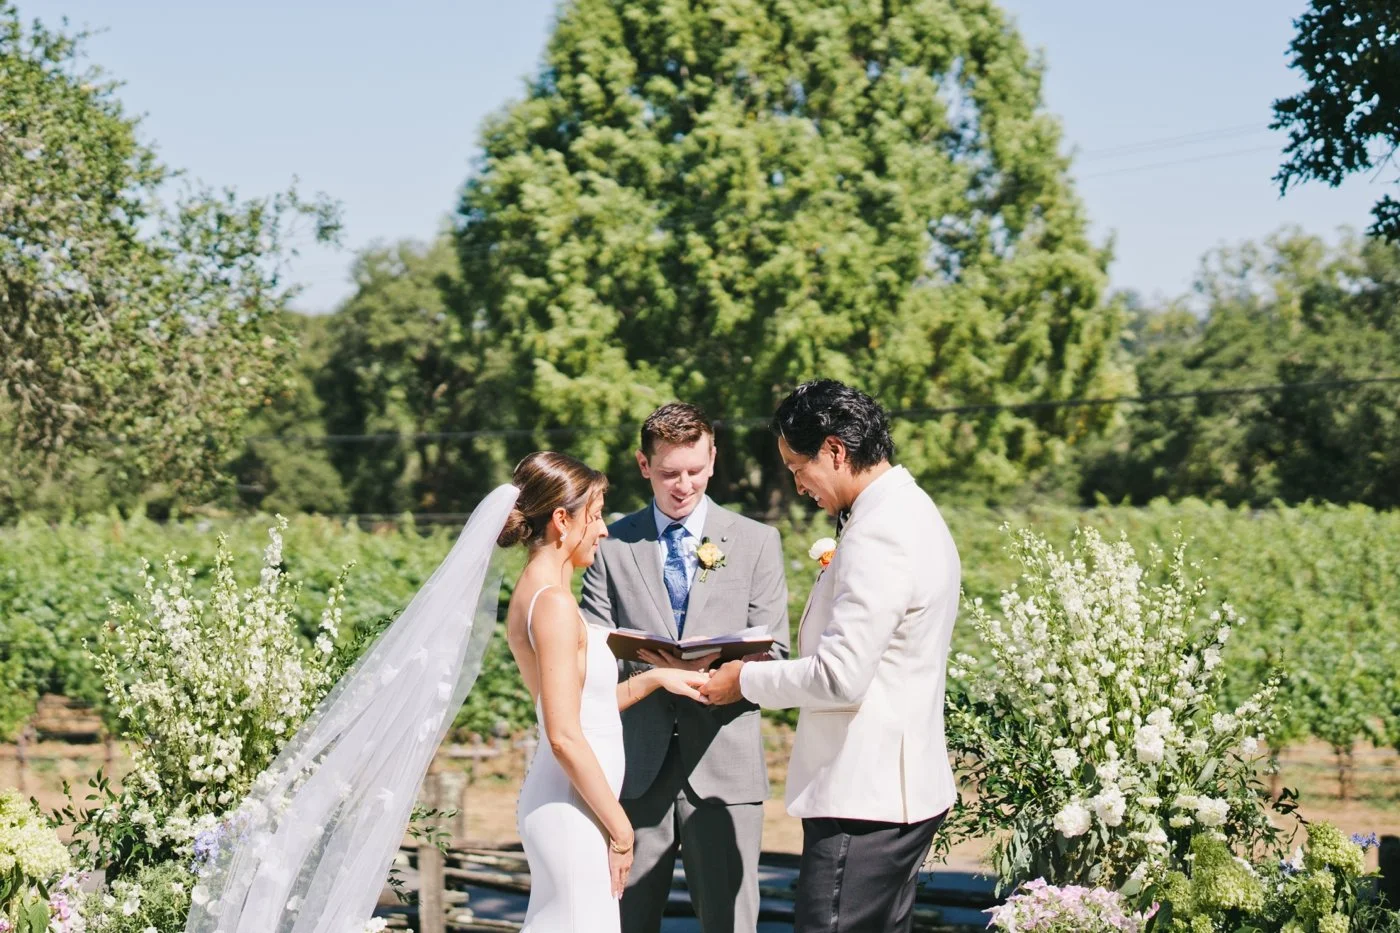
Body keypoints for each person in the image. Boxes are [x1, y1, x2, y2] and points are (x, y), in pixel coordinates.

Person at [701, 381, 961, 933]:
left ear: (835, 450)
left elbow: (841, 676)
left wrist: (745, 680)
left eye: (798, 468)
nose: (798, 487)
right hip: (890, 792)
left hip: (864, 798)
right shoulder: (909, 509)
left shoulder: (881, 531)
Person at [580, 403, 789, 933]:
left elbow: (778, 655)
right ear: (643, 465)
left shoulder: (758, 541)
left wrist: (727, 675)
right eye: (670, 473)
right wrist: (646, 669)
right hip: (634, 768)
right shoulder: (610, 545)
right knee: (623, 922)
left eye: (695, 470)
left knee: (731, 925)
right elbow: (585, 657)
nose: (683, 485)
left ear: (713, 459)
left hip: (725, 765)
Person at [501, 451, 713, 932]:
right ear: (562, 520)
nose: (602, 530)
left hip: (573, 804)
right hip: (575, 811)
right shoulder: (552, 604)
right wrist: (621, 830)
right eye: (594, 517)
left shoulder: (541, 593)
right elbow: (563, 734)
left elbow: (580, 710)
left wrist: (656, 678)